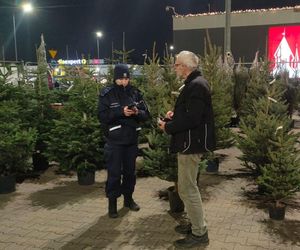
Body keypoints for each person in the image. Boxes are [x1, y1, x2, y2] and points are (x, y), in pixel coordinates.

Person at [158, 51, 216, 248]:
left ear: (185, 66)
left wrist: (168, 127)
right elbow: (191, 112)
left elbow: (194, 119)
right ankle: (195, 224)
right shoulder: (194, 83)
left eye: (176, 64)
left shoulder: (197, 85)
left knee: (188, 189)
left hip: (191, 145)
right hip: (189, 142)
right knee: (186, 188)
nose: (174, 68)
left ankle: (200, 233)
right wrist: (175, 114)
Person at [98, 64, 150, 218]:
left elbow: (146, 114)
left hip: (131, 140)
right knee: (114, 174)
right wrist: (120, 112)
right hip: (114, 141)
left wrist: (136, 112)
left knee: (130, 173)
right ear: (115, 78)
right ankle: (112, 204)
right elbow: (102, 116)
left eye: (126, 78)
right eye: (121, 78)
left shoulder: (135, 93)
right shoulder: (107, 94)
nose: (124, 81)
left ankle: (128, 199)